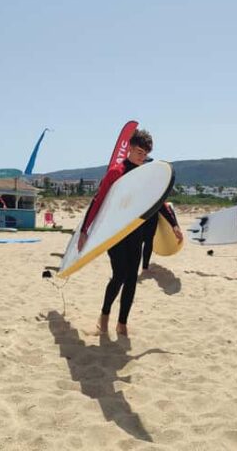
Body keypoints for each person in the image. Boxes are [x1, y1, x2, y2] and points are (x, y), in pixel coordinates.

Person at [77, 129, 182, 336]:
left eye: (145, 154)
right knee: (120, 275)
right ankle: (104, 316)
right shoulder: (117, 172)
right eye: (139, 152)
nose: (142, 157)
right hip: (115, 234)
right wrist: (84, 230)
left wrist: (174, 224)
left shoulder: (145, 175)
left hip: (136, 234)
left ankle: (122, 323)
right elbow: (98, 200)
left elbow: (157, 202)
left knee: (132, 278)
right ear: (130, 149)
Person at [141, 202, 179, 273]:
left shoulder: (155, 195)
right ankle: (144, 267)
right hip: (144, 222)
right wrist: (174, 225)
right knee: (146, 243)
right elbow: (164, 209)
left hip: (144, 221)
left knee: (146, 243)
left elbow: (163, 208)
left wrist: (174, 225)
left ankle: (144, 267)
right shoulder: (156, 195)